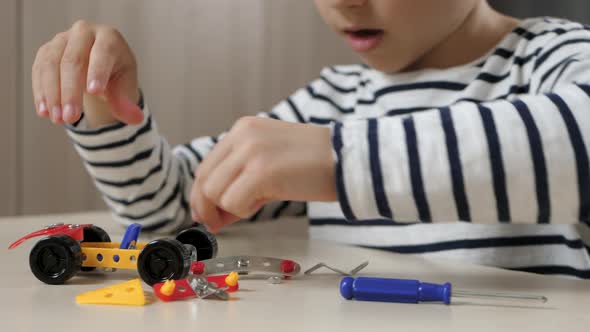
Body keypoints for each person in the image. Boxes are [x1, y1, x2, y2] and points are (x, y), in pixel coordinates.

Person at [31, 0, 590, 278]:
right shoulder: (335, 99)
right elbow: (178, 210)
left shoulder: (550, 59)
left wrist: (340, 161)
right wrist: (106, 112)